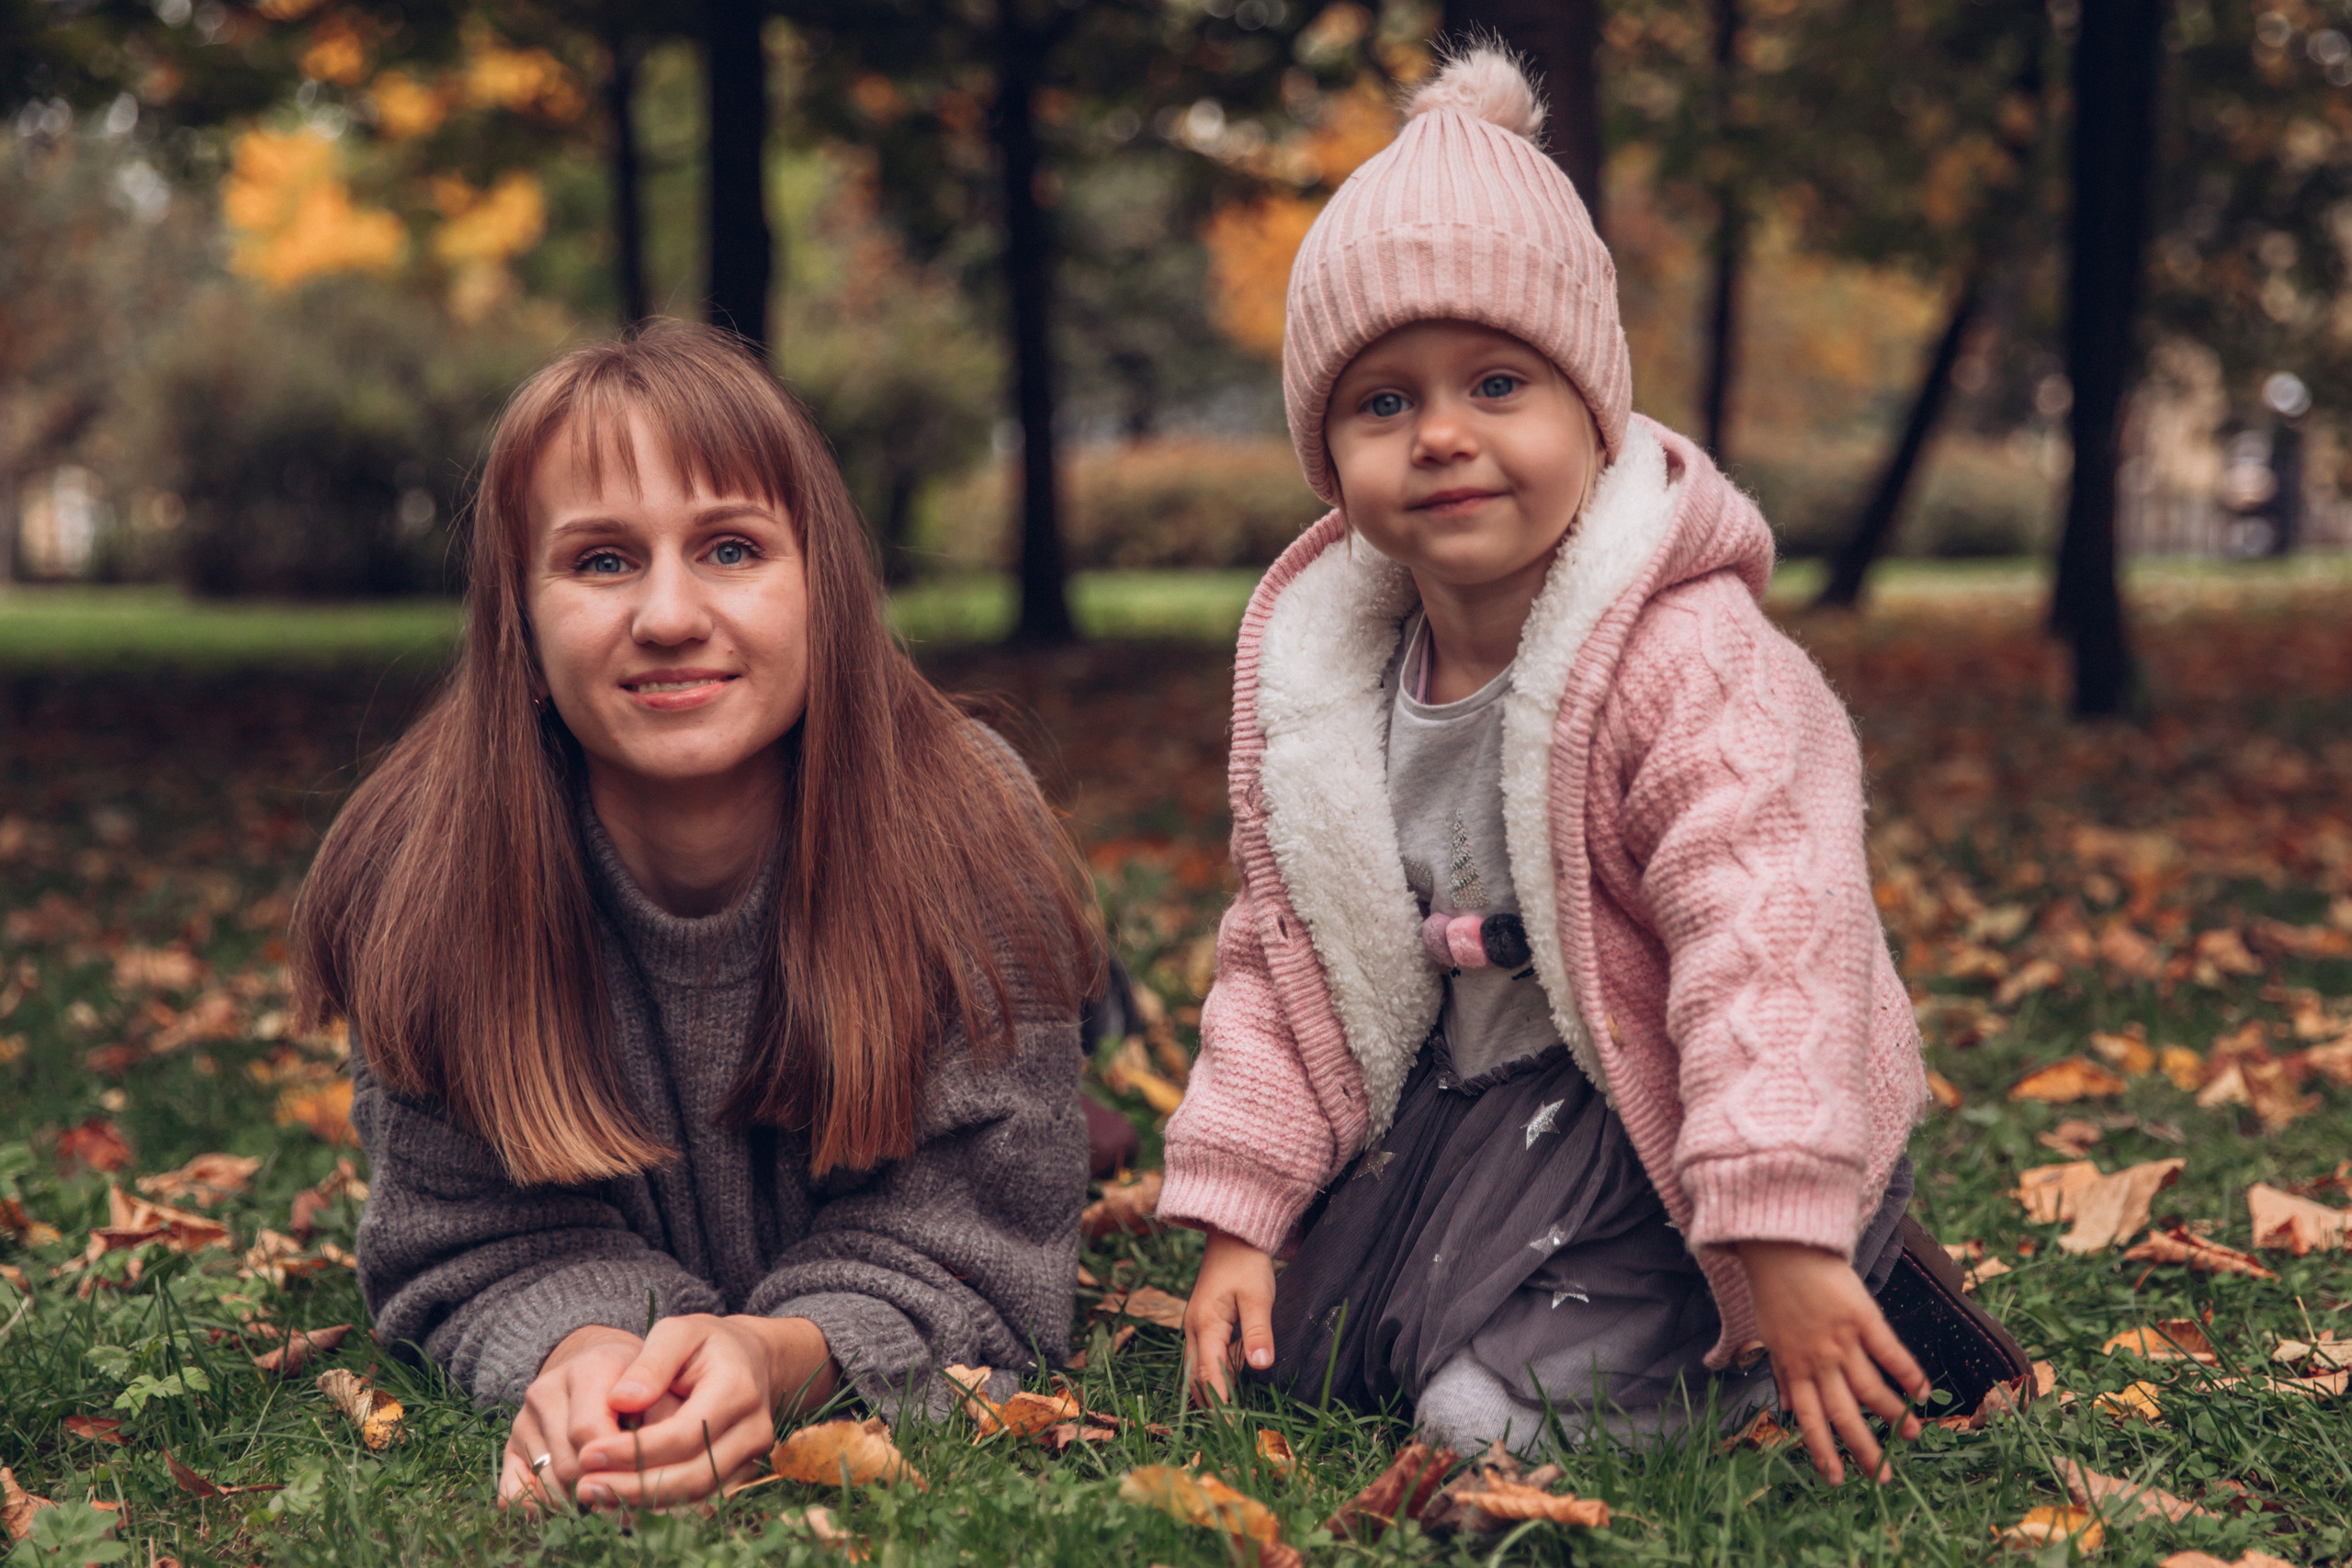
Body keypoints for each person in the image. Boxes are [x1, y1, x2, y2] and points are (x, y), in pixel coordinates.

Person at [1163, 48, 2031, 1483]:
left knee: (1480, 1421)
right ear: (1327, 453)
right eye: (1382, 403)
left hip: (1663, 1104)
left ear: (1593, 411)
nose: (1441, 434)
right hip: (1471, 1109)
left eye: (1497, 382)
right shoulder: (1332, 688)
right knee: (1317, 1359)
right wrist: (1243, 1215)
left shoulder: (1688, 667)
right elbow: (1283, 955)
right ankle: (1548, 1302)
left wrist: (1781, 1224)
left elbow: (1768, 940)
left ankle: (1831, 1274)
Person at [290, 321, 1097, 1509]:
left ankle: (1091, 1077)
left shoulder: (967, 827)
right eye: (602, 562)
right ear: (516, 614)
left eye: (730, 548)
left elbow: (982, 1247)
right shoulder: (419, 870)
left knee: (1067, 1110)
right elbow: (464, 1238)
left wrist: (779, 1360)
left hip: (959, 1008)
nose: (668, 615)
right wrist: (586, 1361)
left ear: (823, 585)